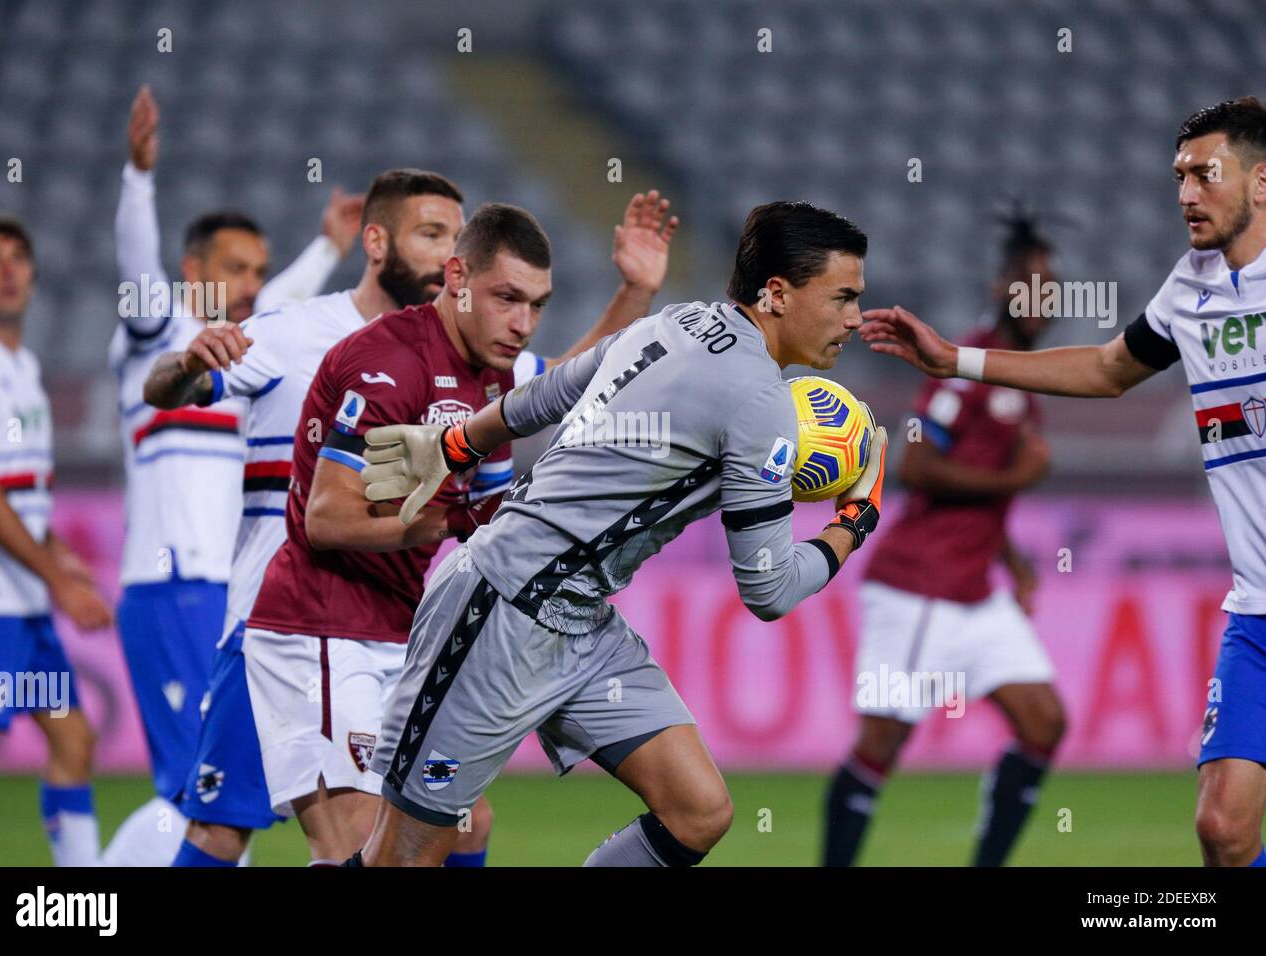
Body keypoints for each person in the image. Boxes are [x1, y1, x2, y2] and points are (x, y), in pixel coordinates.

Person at [144, 168, 679, 866]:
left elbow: (567, 385)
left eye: (454, 236)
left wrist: (635, 292)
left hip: (391, 622)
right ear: (377, 242)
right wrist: (186, 363)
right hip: (291, 620)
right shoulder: (302, 334)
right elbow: (170, 389)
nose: (442, 252)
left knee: (456, 823)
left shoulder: (474, 353)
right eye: (430, 234)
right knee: (283, 834)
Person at [351, 200, 888, 867]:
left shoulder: (675, 323)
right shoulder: (760, 402)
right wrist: (852, 523)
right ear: (777, 293)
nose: (855, 318)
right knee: (402, 857)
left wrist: (459, 441)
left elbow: (558, 390)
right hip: (500, 610)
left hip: (580, 622)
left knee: (698, 811)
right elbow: (769, 588)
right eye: (842, 298)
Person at [859, 97, 1266, 867]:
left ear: (1262, 181)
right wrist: (955, 360)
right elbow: (1111, 368)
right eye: (1178, 175)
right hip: (1258, 613)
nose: (1184, 192)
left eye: (1204, 174)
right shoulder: (1191, 288)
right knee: (1222, 833)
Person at [102, 84, 361, 866]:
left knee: (236, 795)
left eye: (258, 268)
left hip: (238, 589)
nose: (251, 283)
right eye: (233, 268)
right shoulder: (160, 336)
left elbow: (286, 304)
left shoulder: (250, 351)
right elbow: (136, 265)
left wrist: (326, 249)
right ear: (193, 270)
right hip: (174, 581)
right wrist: (138, 179)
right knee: (201, 795)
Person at [822, 210, 1064, 867]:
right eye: (1033, 283)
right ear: (1003, 288)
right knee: (880, 746)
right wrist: (1017, 476)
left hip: (974, 590)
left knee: (1045, 722)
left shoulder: (1019, 376)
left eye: (1053, 285)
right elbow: (917, 463)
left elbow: (986, 493)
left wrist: (1011, 559)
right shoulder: (968, 365)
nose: (1045, 299)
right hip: (920, 586)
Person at [0, 215, 113, 867]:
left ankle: (81, 893)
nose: (8, 269)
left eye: (18, 257)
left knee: (74, 741)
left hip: (24, 600)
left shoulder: (21, 365)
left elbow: (19, 487)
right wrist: (55, 579)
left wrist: (55, 551)